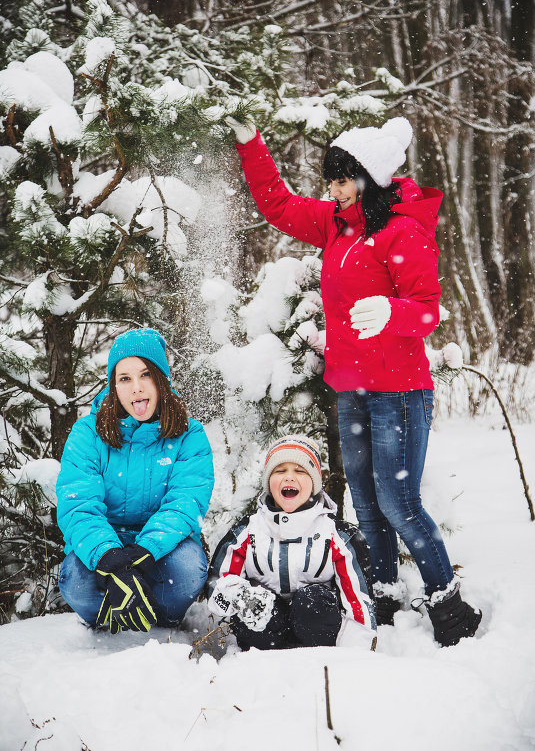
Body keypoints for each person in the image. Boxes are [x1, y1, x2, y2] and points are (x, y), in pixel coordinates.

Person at [226, 116, 481, 647]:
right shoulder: (335, 224)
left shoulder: (402, 230)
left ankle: (449, 605)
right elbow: (278, 205)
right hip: (352, 391)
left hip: (400, 392)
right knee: (364, 501)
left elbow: (428, 311)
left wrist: (393, 312)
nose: (334, 190)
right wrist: (252, 146)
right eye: (332, 180)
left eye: (344, 179)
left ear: (372, 177)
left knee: (398, 502)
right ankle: (383, 593)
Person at [56, 328, 214, 633]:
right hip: (107, 544)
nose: (136, 389)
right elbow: (78, 505)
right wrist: (111, 557)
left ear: (161, 379)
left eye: (145, 375)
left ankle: (161, 618)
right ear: (114, 386)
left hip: (164, 547)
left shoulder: (189, 435)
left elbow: (186, 503)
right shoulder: (87, 433)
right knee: (75, 582)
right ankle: (109, 618)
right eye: (125, 378)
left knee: (187, 573)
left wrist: (145, 552)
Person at [207, 435, 376, 651]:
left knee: (312, 602)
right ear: (269, 481)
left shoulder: (336, 534)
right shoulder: (248, 531)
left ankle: (315, 658)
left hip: (318, 633)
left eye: (300, 471)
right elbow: (217, 584)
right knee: (258, 607)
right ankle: (262, 665)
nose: (289, 478)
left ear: (314, 482)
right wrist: (239, 594)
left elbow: (358, 603)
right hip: (265, 635)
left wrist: (353, 656)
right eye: (280, 471)